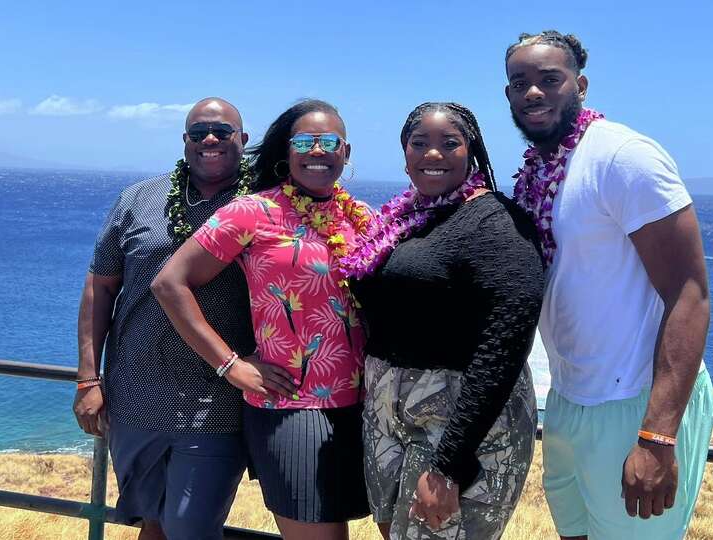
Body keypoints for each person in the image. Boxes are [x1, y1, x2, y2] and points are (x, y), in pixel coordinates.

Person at [505, 31, 713, 539]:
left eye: (549, 79)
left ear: (579, 84)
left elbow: (690, 291)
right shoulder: (536, 175)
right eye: (519, 83)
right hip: (567, 401)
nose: (533, 92)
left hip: (633, 405)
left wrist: (657, 434)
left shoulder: (623, 156)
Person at [151, 99, 371, 540]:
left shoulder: (359, 216)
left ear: (345, 152)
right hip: (292, 408)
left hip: (361, 409)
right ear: (286, 152)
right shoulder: (252, 212)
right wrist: (230, 365)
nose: (316, 151)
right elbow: (169, 284)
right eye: (304, 142)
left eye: (328, 142)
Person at [344, 102, 544, 540]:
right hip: (386, 406)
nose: (432, 154)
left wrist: (450, 464)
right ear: (405, 153)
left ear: (471, 151)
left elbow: (504, 346)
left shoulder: (497, 224)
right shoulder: (403, 219)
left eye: (449, 143)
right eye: (420, 143)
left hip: (457, 419)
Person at [72, 97, 256, 540]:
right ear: (184, 141)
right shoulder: (138, 199)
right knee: (151, 521)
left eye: (221, 131)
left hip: (217, 400)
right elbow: (100, 288)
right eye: (198, 132)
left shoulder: (264, 204)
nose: (209, 139)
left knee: (191, 527)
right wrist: (87, 380)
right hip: (134, 396)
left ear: (243, 140)